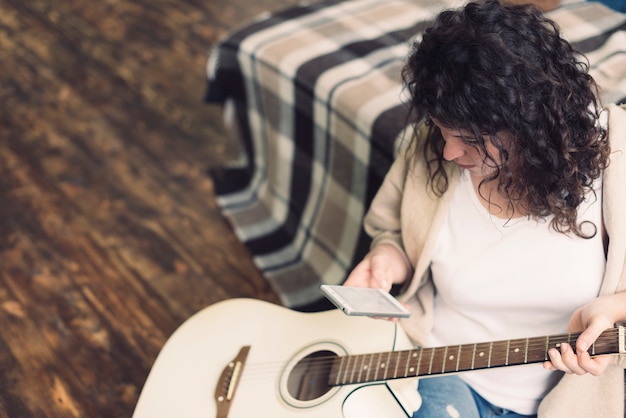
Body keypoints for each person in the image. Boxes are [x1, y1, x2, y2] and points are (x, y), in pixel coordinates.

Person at [343, 1, 626, 417]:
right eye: (442, 132)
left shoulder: (616, 162)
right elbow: (394, 232)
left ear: (531, 125)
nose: (450, 151)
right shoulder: (431, 150)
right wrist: (387, 259)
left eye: (472, 140)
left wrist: (613, 309)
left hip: (567, 398)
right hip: (437, 368)